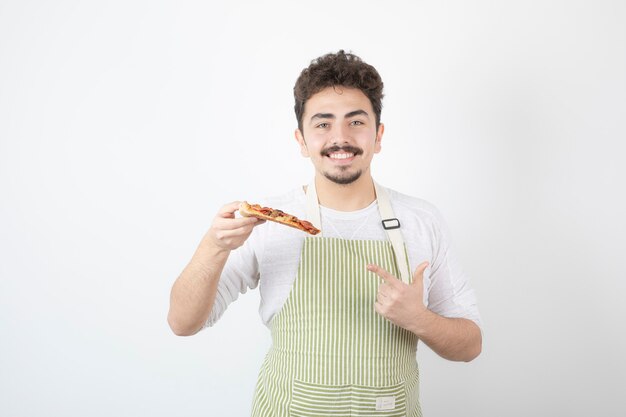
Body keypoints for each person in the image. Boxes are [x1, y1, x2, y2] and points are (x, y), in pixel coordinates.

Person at [168, 50, 482, 416]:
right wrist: (213, 247)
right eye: (322, 124)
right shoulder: (271, 222)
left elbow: (470, 346)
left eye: (356, 122)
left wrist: (420, 319)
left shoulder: (420, 220)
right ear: (301, 140)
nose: (340, 138)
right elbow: (182, 323)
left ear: (378, 136)